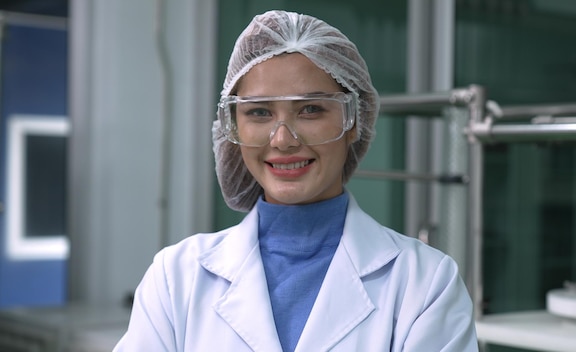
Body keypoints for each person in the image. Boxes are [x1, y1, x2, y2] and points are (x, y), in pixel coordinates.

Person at [114, 10, 478, 351]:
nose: (283, 140)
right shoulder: (177, 276)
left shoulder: (425, 283)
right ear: (232, 127)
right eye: (259, 112)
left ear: (355, 122)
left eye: (311, 109)